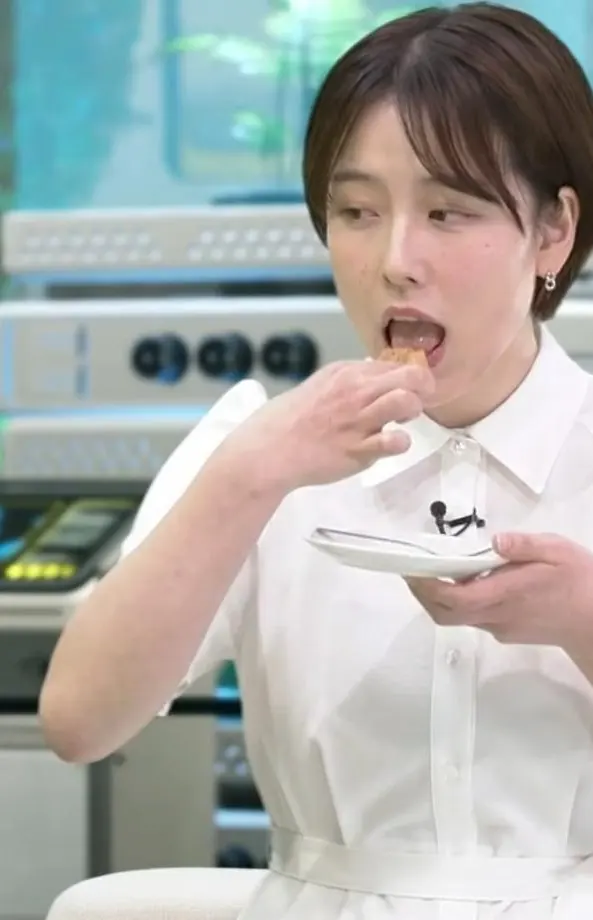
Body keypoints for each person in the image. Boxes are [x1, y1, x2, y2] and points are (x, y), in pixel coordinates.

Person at [39, 3, 593, 917]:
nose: (394, 260)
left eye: (448, 212)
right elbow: (79, 722)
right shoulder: (262, 447)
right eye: (356, 212)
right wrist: (247, 477)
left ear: (552, 231)